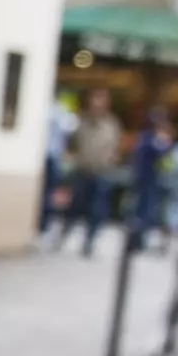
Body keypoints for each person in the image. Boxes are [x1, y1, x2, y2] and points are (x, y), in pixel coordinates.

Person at [57, 88, 120, 256]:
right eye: (96, 99)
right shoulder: (81, 122)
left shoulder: (111, 123)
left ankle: (89, 242)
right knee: (75, 206)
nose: (99, 103)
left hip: (102, 171)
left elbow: (114, 146)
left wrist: (111, 159)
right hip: (82, 170)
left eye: (102, 99)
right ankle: (63, 234)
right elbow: (70, 144)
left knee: (97, 210)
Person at [127, 108, 171, 247]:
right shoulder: (150, 139)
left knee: (144, 210)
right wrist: (164, 141)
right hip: (146, 180)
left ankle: (139, 239)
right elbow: (161, 153)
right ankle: (137, 240)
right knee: (144, 211)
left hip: (147, 180)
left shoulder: (144, 138)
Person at [40, 96, 78, 233]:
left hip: (51, 157)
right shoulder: (57, 111)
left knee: (49, 193)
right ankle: (44, 224)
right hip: (49, 157)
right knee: (48, 193)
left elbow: (71, 128)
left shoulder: (56, 110)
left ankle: (44, 224)